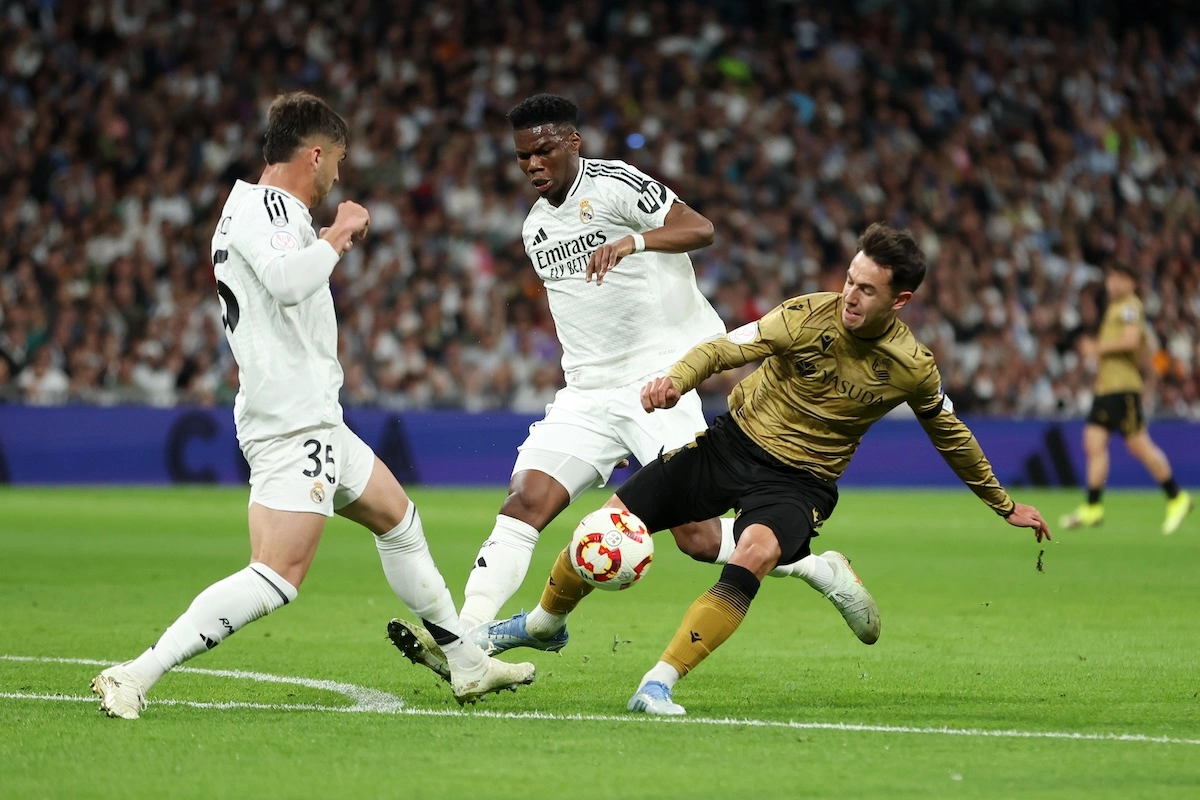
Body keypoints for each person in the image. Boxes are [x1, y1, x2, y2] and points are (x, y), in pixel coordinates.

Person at [387, 94, 879, 676]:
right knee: (525, 502)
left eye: (543, 150)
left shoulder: (617, 185)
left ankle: (819, 569)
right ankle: (467, 642)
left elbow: (700, 228)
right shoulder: (535, 229)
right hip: (588, 394)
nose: (533, 165)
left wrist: (633, 240)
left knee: (697, 540)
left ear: (574, 143)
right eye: (522, 158)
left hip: (659, 382)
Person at [478, 223, 1053, 716]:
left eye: (867, 290)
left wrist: (1004, 504)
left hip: (801, 481)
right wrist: (677, 380)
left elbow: (950, 434)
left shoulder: (911, 367)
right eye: (850, 279)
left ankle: (658, 682)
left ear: (899, 301)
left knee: (753, 552)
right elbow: (724, 348)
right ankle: (544, 624)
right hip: (731, 445)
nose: (850, 296)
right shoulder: (805, 315)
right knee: (606, 529)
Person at [89, 92, 534, 719]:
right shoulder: (269, 206)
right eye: (339, 161)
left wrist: (322, 239)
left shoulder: (257, 209)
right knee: (277, 575)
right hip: (293, 421)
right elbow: (288, 284)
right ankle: (135, 674)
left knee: (398, 520)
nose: (338, 177)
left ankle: (465, 664)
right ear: (316, 154)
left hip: (312, 414)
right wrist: (338, 235)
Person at [1060, 262, 1192, 534]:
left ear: (1132, 283)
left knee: (1138, 446)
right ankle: (1092, 507)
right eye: (1111, 277)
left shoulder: (1130, 306)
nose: (1113, 283)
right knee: (1093, 442)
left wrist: (1097, 347)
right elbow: (1141, 347)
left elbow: (1131, 341)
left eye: (1120, 278)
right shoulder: (1116, 308)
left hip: (1122, 389)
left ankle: (1176, 497)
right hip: (1107, 389)